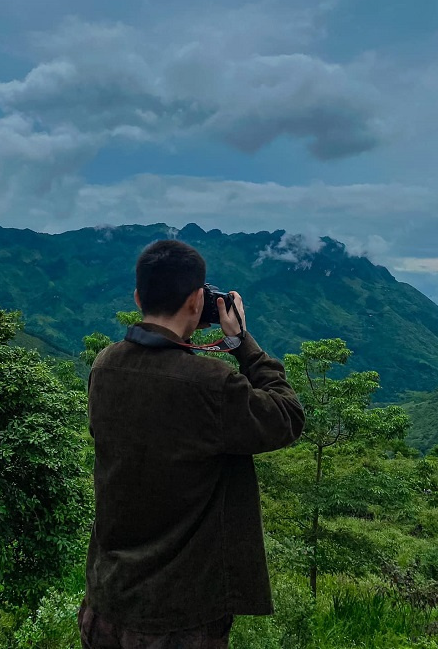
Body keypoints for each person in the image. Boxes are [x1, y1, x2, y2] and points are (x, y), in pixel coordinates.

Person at [78, 239, 305, 648]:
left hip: (106, 603)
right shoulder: (211, 385)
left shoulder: (104, 365)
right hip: (179, 620)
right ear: (198, 300)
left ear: (137, 296)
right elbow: (288, 417)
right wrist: (243, 345)